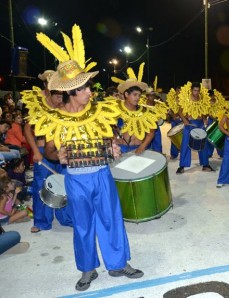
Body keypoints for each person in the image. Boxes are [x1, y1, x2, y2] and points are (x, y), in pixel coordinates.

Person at [30, 23, 143, 291]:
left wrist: (114, 146)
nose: (90, 92)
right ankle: (87, 269)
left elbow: (108, 138)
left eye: (89, 87)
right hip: (76, 180)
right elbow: (48, 150)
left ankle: (117, 264)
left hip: (102, 174)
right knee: (83, 225)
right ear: (71, 92)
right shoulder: (54, 119)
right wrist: (58, 154)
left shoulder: (98, 112)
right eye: (84, 89)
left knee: (112, 220)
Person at [21, 72, 73, 234]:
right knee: (41, 185)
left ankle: (66, 218)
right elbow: (27, 129)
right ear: (47, 87)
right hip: (43, 152)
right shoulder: (39, 106)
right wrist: (36, 151)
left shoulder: (66, 106)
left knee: (65, 185)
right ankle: (42, 221)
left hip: (63, 151)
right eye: (55, 89)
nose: (59, 94)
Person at [112, 63, 159, 154]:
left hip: (140, 149)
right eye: (134, 95)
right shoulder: (116, 110)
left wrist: (142, 146)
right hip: (122, 149)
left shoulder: (145, 112)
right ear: (126, 94)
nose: (137, 98)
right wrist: (114, 142)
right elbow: (107, 130)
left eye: (139, 95)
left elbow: (151, 133)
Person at [176, 82, 215, 173]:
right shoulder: (186, 99)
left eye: (198, 91)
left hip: (200, 123)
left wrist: (205, 118)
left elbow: (204, 112)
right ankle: (182, 166)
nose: (196, 92)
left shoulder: (202, 100)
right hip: (189, 123)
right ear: (191, 90)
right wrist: (184, 120)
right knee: (185, 144)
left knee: (203, 144)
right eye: (194, 90)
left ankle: (205, 164)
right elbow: (179, 112)